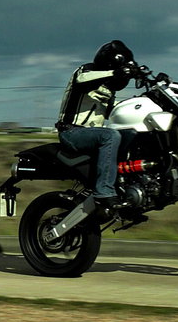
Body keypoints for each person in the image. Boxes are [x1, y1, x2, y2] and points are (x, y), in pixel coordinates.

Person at [54, 40, 138, 211]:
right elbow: (82, 80)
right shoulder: (86, 71)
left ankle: (129, 186)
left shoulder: (109, 89)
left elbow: (112, 113)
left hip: (91, 135)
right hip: (72, 132)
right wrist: (115, 72)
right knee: (110, 135)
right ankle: (104, 192)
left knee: (133, 134)